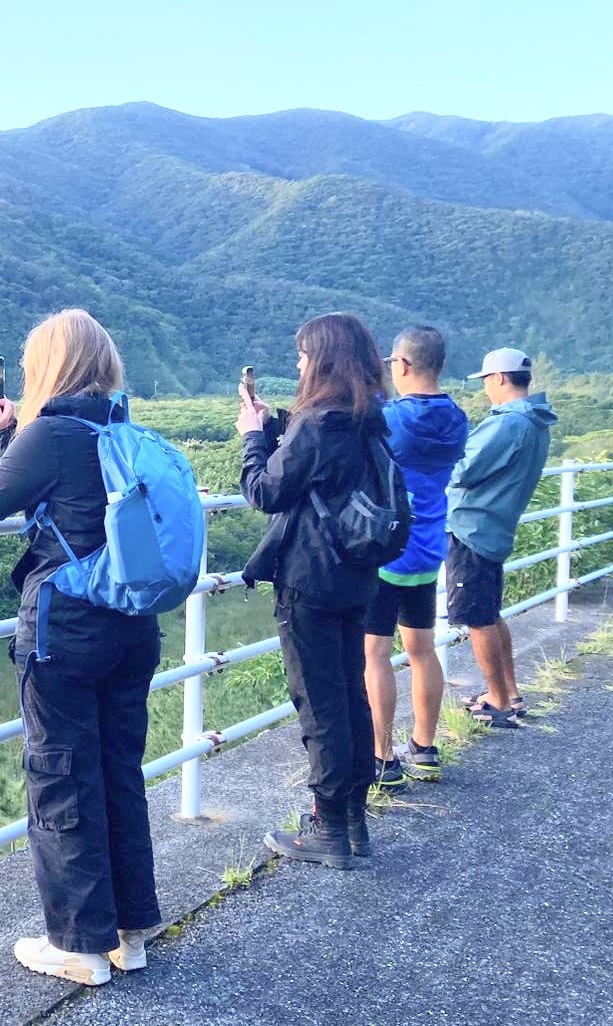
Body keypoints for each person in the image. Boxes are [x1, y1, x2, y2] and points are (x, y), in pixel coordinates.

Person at [0, 309, 161, 987]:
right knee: (116, 773)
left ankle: (77, 946)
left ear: (49, 366)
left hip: (67, 632)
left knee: (61, 777)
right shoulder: (118, 427)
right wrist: (16, 433)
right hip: (132, 627)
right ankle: (129, 936)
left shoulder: (49, 433)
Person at [238, 312, 389, 868]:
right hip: (356, 575)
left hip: (310, 579)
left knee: (319, 705)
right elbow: (321, 480)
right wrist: (278, 430)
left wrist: (253, 439)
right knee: (351, 694)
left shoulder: (318, 422)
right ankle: (353, 822)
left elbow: (266, 491)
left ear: (322, 359)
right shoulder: (369, 418)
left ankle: (328, 829)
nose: (298, 363)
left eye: (303, 355)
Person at [364, 327, 469, 788]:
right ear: (440, 365)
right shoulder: (458, 418)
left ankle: (383, 758)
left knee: (375, 654)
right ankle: (424, 748)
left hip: (386, 549)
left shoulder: (391, 419)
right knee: (423, 651)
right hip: (427, 550)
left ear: (401, 365)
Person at [447, 347, 558, 728]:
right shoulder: (536, 421)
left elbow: (462, 470)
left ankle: (496, 701)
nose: (485, 391)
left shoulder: (507, 423)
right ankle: (509, 692)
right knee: (490, 614)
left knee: (477, 618)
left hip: (473, 528)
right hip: (495, 528)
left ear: (498, 379)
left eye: (485, 382)